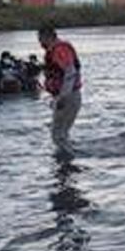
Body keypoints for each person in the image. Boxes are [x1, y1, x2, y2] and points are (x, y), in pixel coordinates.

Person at [39, 24, 82, 156]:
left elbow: (69, 73)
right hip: (66, 95)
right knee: (61, 133)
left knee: (58, 134)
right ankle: (67, 160)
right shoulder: (55, 50)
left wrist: (62, 97)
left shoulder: (60, 49)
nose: (40, 43)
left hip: (68, 96)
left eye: (41, 39)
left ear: (48, 37)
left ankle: (67, 163)